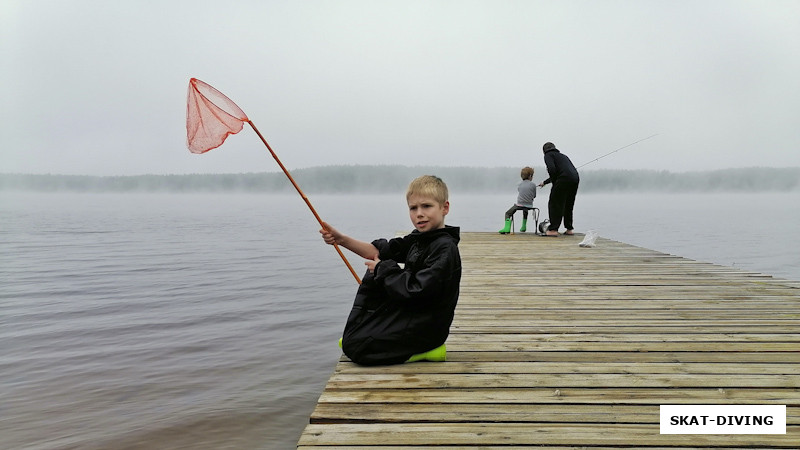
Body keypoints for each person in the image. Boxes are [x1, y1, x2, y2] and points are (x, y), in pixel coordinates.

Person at [319, 175, 462, 366]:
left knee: (356, 349)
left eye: (426, 206)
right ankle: (364, 336)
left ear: (444, 208)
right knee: (375, 274)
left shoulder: (444, 248)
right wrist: (341, 239)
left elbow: (418, 290)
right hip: (415, 315)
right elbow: (378, 252)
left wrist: (384, 270)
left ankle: (423, 351)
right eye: (413, 208)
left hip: (427, 328)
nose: (419, 213)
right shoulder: (419, 238)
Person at [538, 142, 580, 236]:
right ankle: (569, 229)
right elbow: (561, 172)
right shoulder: (563, 156)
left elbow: (552, 169)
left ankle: (553, 230)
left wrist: (555, 183)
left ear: (544, 151)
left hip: (563, 180)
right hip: (575, 179)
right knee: (568, 204)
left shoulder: (548, 155)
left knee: (554, 203)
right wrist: (545, 182)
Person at [499, 166, 537, 234]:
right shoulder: (533, 185)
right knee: (525, 209)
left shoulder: (519, 184)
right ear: (530, 176)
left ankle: (507, 228)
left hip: (519, 204)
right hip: (529, 205)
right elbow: (534, 196)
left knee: (508, 213)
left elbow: (520, 191)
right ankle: (523, 226)